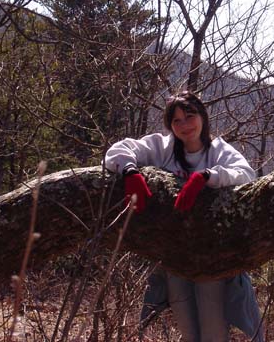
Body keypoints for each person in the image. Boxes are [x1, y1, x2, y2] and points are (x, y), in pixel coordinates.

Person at [104, 91, 264, 342]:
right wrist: (130, 171)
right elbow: (117, 151)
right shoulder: (163, 147)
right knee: (189, 332)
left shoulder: (217, 149)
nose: (184, 125)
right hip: (174, 257)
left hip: (210, 258)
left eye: (189, 116)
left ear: (202, 116)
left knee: (213, 333)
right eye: (176, 120)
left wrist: (207, 177)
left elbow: (246, 174)